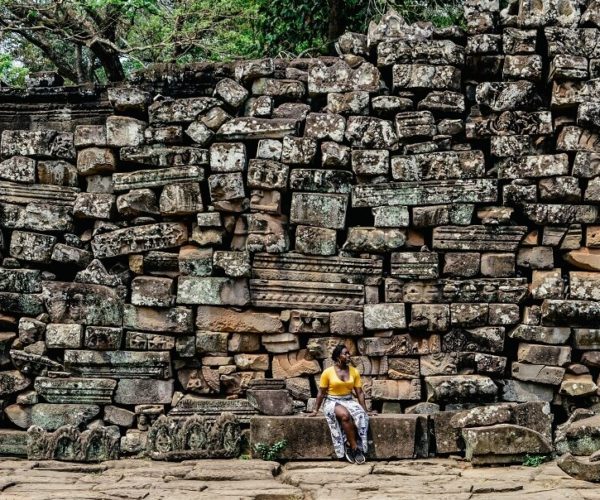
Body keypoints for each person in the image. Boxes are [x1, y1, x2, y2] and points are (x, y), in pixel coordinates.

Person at [308, 344, 373, 464]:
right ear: (338, 357)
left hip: (348, 400)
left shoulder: (354, 372)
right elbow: (321, 393)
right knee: (345, 415)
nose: (349, 356)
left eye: (349, 353)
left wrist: (365, 410)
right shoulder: (327, 372)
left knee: (360, 416)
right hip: (332, 401)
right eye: (345, 353)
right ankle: (354, 448)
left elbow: (359, 392)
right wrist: (315, 410)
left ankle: (349, 443)